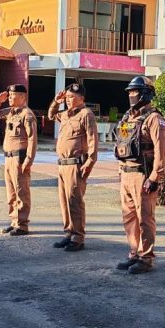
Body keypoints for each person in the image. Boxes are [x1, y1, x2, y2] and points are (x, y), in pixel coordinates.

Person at [114, 75, 165, 275]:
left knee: (145, 218)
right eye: (130, 92)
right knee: (129, 216)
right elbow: (123, 146)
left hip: (142, 175)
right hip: (126, 173)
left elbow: (161, 150)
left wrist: (155, 176)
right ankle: (134, 252)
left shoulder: (154, 118)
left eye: (135, 91)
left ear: (146, 94)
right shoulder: (128, 117)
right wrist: (120, 169)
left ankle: (146, 257)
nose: (132, 95)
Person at [47, 83, 98, 252]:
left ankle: (78, 237)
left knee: (75, 201)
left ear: (81, 98)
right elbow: (51, 115)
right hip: (63, 164)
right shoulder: (65, 115)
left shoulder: (86, 114)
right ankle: (68, 232)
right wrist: (56, 101)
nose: (68, 100)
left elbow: (92, 140)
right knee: (65, 201)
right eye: (67, 97)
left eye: (72, 97)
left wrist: (90, 162)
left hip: (76, 164)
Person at [0, 84, 38, 236]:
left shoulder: (27, 115)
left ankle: (22, 225)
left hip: (19, 157)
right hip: (9, 157)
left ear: (22, 97)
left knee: (21, 192)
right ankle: (14, 221)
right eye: (9, 95)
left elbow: (32, 139)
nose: (10, 98)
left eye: (13, 95)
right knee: (11, 192)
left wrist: (29, 160)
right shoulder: (11, 111)